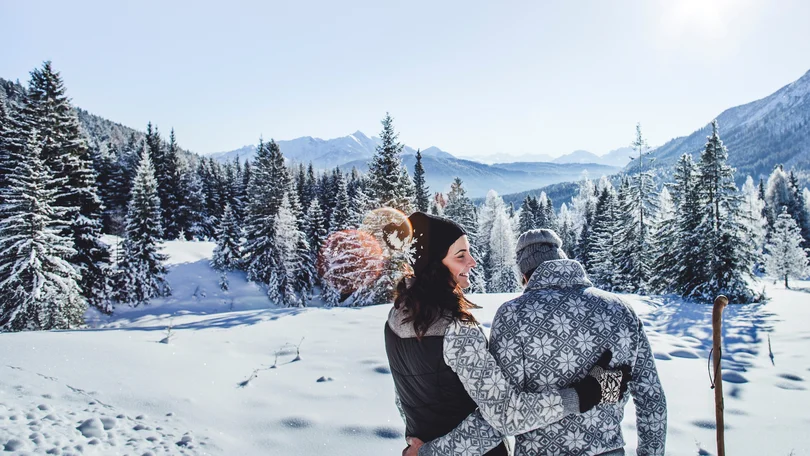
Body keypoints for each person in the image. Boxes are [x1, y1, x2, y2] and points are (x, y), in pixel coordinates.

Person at [383, 213, 631, 456]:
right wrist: (588, 393)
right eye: (461, 256)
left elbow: (404, 401)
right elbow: (505, 416)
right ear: (435, 264)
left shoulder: (396, 318)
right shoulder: (455, 330)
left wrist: (423, 448)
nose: (472, 261)